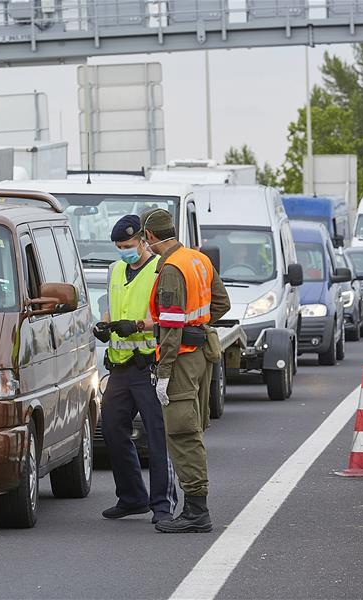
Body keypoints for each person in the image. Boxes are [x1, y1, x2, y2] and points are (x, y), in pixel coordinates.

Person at [142, 207, 230, 533]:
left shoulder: (170, 269)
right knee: (193, 429)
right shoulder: (198, 259)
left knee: (182, 433)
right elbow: (221, 303)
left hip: (180, 357)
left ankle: (196, 510)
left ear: (149, 237)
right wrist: (201, 325)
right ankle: (194, 506)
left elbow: (171, 327)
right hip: (201, 354)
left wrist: (163, 371)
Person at [92, 215, 177, 525]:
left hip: (148, 365)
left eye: (128, 245)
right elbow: (113, 305)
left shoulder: (159, 270)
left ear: (144, 240)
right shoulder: (115, 270)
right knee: (112, 429)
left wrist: (138, 325)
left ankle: (162, 506)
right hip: (120, 366)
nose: (124, 251)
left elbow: (169, 316)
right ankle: (132, 498)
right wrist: (104, 322)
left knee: (156, 437)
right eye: (119, 247)